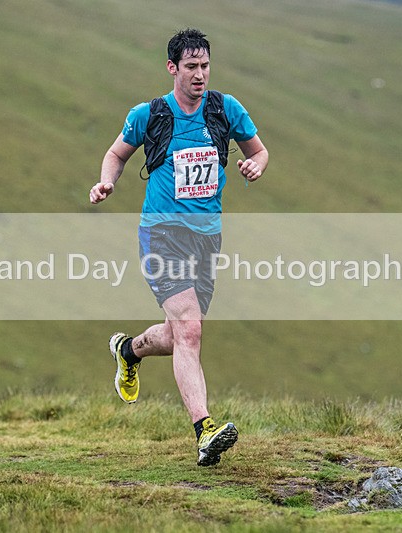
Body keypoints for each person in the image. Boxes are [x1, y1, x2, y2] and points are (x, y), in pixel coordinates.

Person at [89, 28, 268, 467]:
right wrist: (107, 180)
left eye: (205, 66)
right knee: (190, 331)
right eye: (191, 67)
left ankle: (128, 350)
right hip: (161, 235)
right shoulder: (149, 114)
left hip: (206, 238)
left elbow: (260, 152)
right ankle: (204, 430)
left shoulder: (227, 109)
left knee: (178, 335)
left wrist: (253, 164)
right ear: (172, 68)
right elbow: (116, 153)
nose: (200, 75)